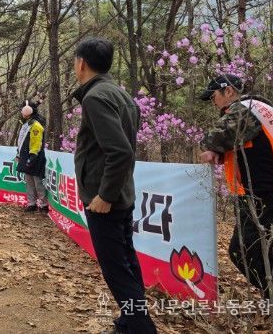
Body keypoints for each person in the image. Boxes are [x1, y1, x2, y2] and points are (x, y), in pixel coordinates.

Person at [71, 38, 156, 334]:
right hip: (122, 194)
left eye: (75, 61)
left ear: (82, 63)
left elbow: (120, 151)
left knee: (116, 269)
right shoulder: (120, 94)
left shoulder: (95, 97)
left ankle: (140, 328)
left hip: (105, 199)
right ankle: (130, 321)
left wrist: (104, 195)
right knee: (126, 261)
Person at [199, 74, 273, 314]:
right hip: (271, 191)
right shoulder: (260, 109)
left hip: (263, 194)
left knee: (242, 251)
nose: (214, 102)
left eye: (214, 96)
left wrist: (211, 147)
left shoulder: (245, 109)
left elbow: (216, 137)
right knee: (268, 253)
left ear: (228, 91)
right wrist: (219, 150)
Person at [16, 99, 49, 213]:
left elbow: (36, 143)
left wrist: (32, 157)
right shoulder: (26, 124)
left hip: (35, 157)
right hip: (26, 155)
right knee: (29, 181)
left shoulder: (36, 125)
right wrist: (19, 154)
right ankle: (32, 203)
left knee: (38, 182)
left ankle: (44, 205)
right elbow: (21, 141)